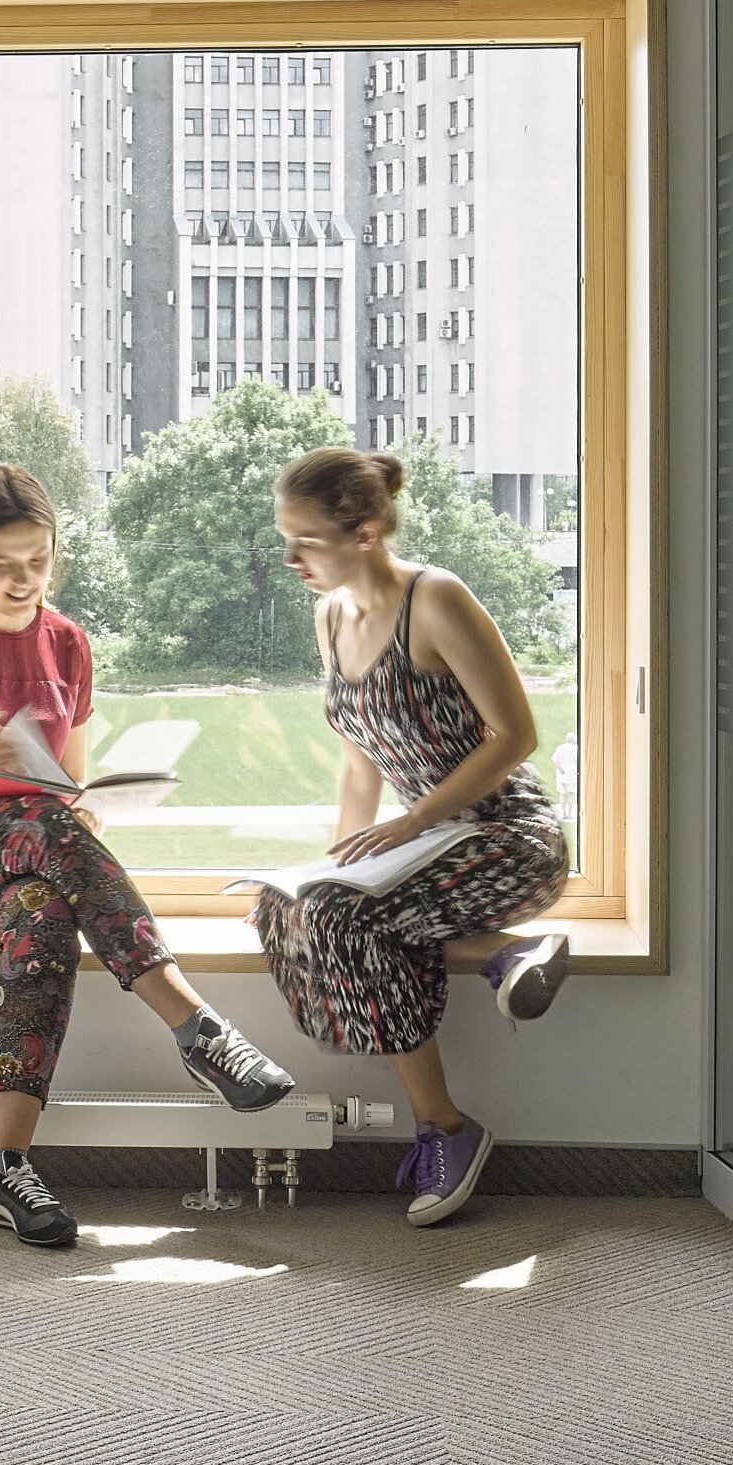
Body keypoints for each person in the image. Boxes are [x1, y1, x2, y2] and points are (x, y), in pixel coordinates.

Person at [0, 464, 295, 1249]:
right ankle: (197, 1027)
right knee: (38, 826)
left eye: (38, 561)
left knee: (45, 913)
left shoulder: (68, 644)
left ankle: (0, 1165)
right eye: (2, 565)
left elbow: (66, 788)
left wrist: (85, 807)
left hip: (13, 859)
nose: (23, 581)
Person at [256, 448, 573, 1227]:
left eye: (308, 541)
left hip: (506, 836)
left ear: (365, 531)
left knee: (347, 922)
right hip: (423, 848)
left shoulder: (436, 600)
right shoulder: (332, 615)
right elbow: (359, 758)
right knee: (280, 907)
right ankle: (503, 955)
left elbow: (516, 735)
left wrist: (415, 819)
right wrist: (333, 859)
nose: (292, 558)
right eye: (285, 539)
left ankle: (448, 1130)